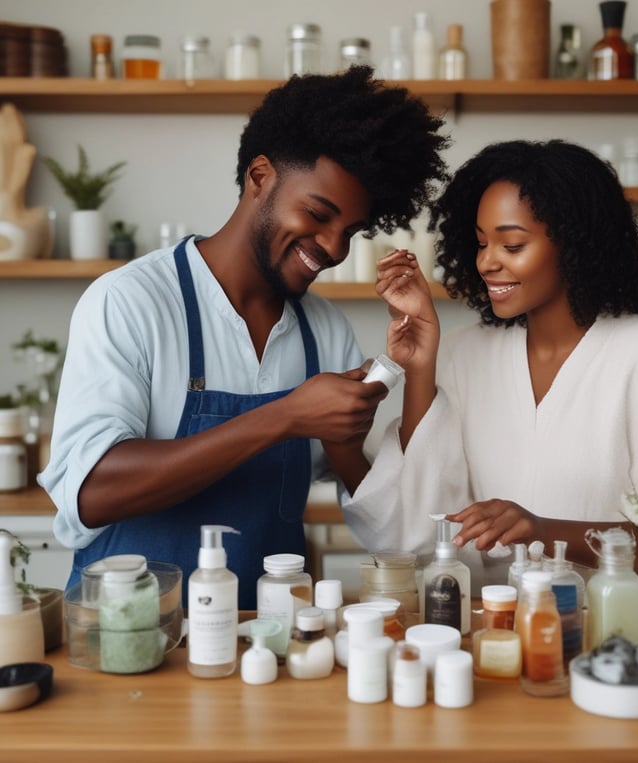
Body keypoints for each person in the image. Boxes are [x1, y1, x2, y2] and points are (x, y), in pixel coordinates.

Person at [40, 66, 450, 608]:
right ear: (260, 177)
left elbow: (383, 512)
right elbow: (91, 493)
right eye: (318, 214)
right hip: (125, 640)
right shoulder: (131, 301)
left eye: (349, 231)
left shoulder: (323, 330)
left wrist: (353, 424)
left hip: (265, 645)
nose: (333, 247)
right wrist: (286, 416)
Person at [342, 139, 638, 592]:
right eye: (480, 243)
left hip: (610, 636)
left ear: (575, 243)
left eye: (512, 244)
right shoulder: (461, 353)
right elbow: (416, 528)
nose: (487, 262)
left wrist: (544, 531)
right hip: (485, 634)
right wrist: (421, 365)